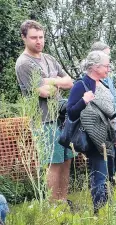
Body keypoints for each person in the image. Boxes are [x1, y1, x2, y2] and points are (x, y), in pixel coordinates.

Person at [15, 20, 74, 204]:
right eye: (33, 37)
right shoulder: (24, 63)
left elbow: (70, 82)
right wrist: (56, 81)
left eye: (41, 37)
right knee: (52, 163)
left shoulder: (49, 58)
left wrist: (50, 80)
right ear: (24, 38)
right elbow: (44, 92)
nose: (38, 41)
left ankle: (63, 202)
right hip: (43, 120)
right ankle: (53, 206)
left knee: (66, 161)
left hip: (61, 118)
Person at [67, 51, 116, 214]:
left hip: (108, 137)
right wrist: (84, 100)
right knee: (99, 175)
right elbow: (71, 113)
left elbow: (111, 113)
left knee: (109, 175)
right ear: (95, 67)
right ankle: (100, 211)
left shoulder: (103, 85)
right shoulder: (81, 85)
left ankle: (109, 209)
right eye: (106, 66)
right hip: (93, 139)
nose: (108, 69)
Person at [90, 41, 116, 187]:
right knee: (104, 161)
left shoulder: (108, 77)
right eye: (106, 57)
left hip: (114, 121)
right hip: (102, 127)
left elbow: (113, 101)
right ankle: (106, 189)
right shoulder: (90, 82)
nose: (109, 62)